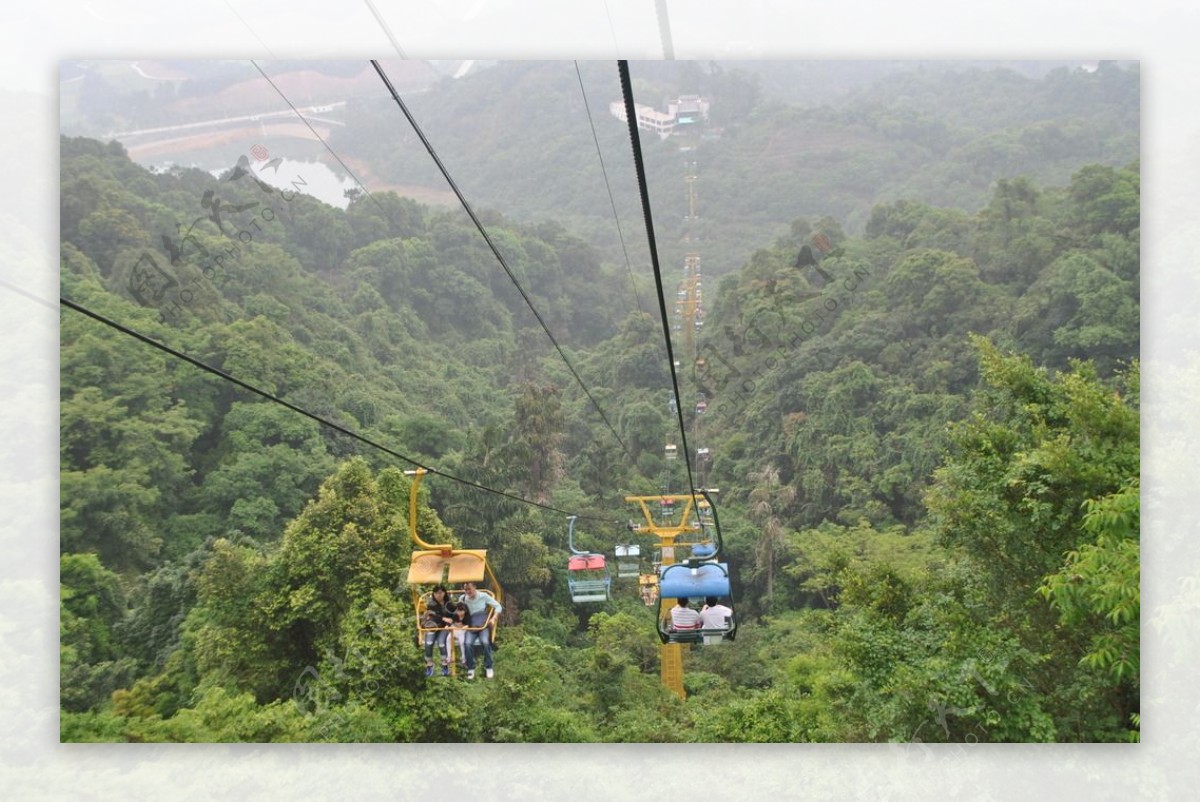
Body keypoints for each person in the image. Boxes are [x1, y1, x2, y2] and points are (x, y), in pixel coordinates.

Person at [458, 581, 503, 679]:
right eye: (466, 589)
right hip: (471, 624)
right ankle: (471, 668)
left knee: (485, 642)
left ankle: (489, 666)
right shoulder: (462, 599)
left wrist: (493, 618)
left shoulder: (483, 596)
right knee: (467, 644)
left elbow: (498, 606)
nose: (468, 591)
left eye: (469, 589)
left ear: (475, 587)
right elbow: (459, 613)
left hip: (483, 624)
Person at [420, 585, 454, 677]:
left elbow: (453, 616)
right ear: (433, 594)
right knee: (429, 642)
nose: (438, 595)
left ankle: (445, 664)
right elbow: (434, 616)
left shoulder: (449, 604)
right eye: (436, 593)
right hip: (433, 626)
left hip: (444, 628)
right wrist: (444, 618)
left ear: (444, 593)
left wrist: (448, 624)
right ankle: (429, 664)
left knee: (441, 643)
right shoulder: (432, 604)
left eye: (440, 593)